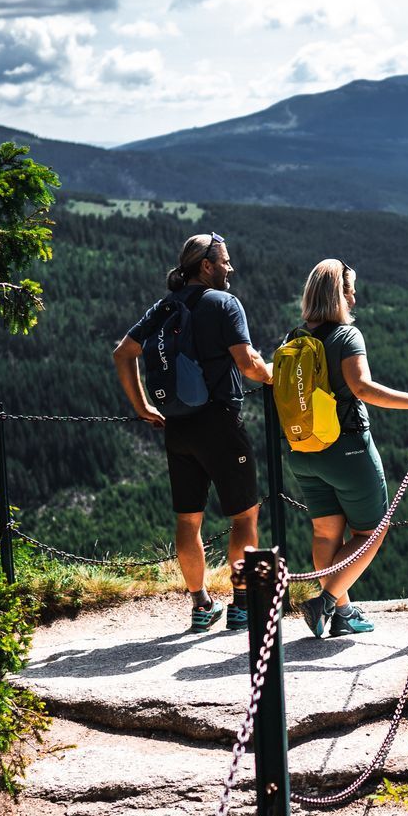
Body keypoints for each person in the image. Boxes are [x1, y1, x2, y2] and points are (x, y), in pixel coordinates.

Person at [112, 232, 273, 633]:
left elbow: (123, 352)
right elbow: (248, 362)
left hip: (177, 427)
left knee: (188, 521)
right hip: (219, 423)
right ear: (206, 265)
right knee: (245, 515)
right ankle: (240, 604)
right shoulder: (225, 304)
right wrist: (274, 377)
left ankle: (201, 605)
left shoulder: (165, 306)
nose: (230, 268)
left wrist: (142, 406)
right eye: (225, 261)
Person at [283, 259, 408, 638]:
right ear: (339, 294)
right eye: (350, 289)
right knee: (371, 531)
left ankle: (341, 612)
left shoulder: (293, 339)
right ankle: (322, 603)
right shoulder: (346, 337)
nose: (355, 296)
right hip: (346, 451)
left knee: (325, 533)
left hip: (302, 452)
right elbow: (362, 388)